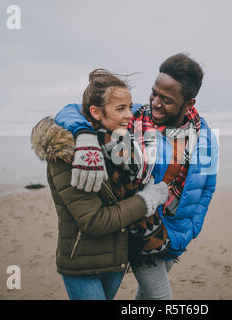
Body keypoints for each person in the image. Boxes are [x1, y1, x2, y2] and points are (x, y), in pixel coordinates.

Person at [54, 53, 219, 300]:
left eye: (167, 99)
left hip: (177, 235)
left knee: (146, 296)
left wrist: (193, 228)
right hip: (143, 230)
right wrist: (84, 135)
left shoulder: (205, 137)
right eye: (154, 93)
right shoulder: (133, 119)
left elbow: (207, 187)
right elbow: (72, 111)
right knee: (161, 299)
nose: (155, 102)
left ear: (189, 103)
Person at [30, 69, 169, 300]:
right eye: (120, 109)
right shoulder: (71, 154)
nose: (129, 115)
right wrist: (147, 200)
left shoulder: (121, 147)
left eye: (129, 107)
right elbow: (94, 221)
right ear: (95, 111)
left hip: (115, 262)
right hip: (83, 266)